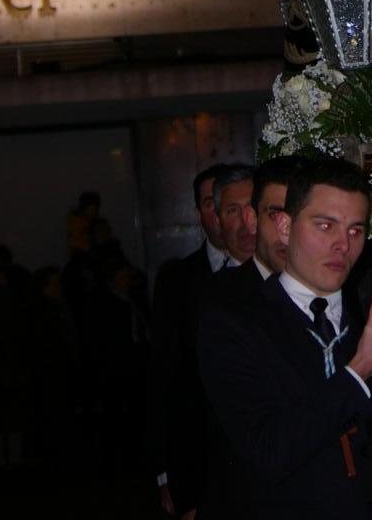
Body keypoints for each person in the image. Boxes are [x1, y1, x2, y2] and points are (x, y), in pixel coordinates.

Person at [198, 157, 372, 519]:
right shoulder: (234, 324)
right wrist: (357, 373)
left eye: (355, 230)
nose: (342, 245)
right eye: (325, 226)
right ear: (285, 227)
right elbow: (267, 452)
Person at [148, 164, 228, 519]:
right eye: (212, 203)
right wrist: (163, 469)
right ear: (199, 213)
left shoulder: (269, 275)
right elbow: (162, 375)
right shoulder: (178, 280)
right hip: (196, 455)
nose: (223, 215)